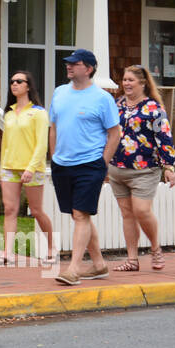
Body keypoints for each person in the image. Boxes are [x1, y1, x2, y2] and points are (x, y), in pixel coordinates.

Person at [48, 49, 122, 286]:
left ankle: (73, 269)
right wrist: (53, 157)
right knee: (79, 215)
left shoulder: (102, 98)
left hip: (89, 164)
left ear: (88, 68)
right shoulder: (59, 93)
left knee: (81, 214)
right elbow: (54, 127)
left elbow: (114, 134)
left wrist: (102, 163)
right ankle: (99, 265)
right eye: (68, 64)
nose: (68, 67)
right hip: (62, 163)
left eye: (74, 64)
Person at [109, 64, 175, 271]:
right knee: (127, 214)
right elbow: (108, 132)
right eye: (124, 80)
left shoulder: (154, 108)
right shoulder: (117, 104)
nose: (126, 83)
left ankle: (155, 249)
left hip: (145, 169)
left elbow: (164, 137)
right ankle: (132, 260)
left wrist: (169, 167)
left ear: (143, 83)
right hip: (117, 168)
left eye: (131, 80)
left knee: (142, 210)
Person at [0, 70, 56, 266]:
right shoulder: (10, 113)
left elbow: (41, 144)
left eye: (19, 81)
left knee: (36, 211)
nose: (14, 84)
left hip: (32, 168)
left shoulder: (38, 113)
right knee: (10, 209)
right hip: (9, 168)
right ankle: (7, 254)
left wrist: (31, 168)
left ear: (28, 86)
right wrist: (3, 166)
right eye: (12, 81)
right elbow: (6, 142)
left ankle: (52, 248)